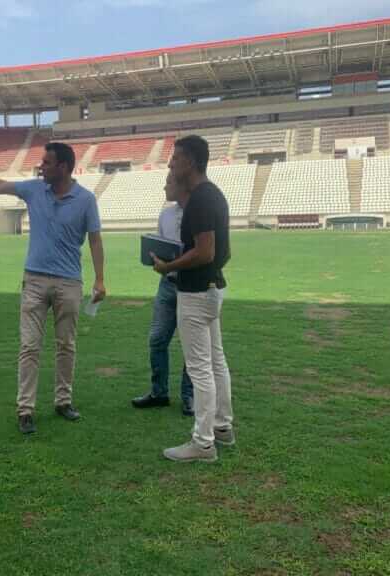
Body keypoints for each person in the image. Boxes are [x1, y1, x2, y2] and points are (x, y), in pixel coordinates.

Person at [0, 142, 106, 435]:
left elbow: (95, 239)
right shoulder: (33, 189)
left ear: (64, 167)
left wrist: (100, 279)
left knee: (66, 345)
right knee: (29, 346)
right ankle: (25, 409)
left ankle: (63, 401)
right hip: (34, 280)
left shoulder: (85, 200)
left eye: (47, 163)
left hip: (70, 282)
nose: (40, 167)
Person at [150, 135, 234, 463]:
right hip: (212, 288)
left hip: (196, 292)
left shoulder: (200, 198)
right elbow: (222, 253)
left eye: (175, 159)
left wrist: (168, 266)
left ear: (191, 162)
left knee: (200, 369)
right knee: (216, 362)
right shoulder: (214, 195)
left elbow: (205, 251)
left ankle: (203, 442)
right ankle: (223, 428)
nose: (170, 164)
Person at [132, 173, 194, 416]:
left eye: (169, 182)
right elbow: (162, 244)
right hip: (167, 284)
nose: (164, 186)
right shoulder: (165, 214)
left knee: (191, 344)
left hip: (191, 287)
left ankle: (189, 397)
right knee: (157, 339)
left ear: (180, 184)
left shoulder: (196, 212)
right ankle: (159, 392)